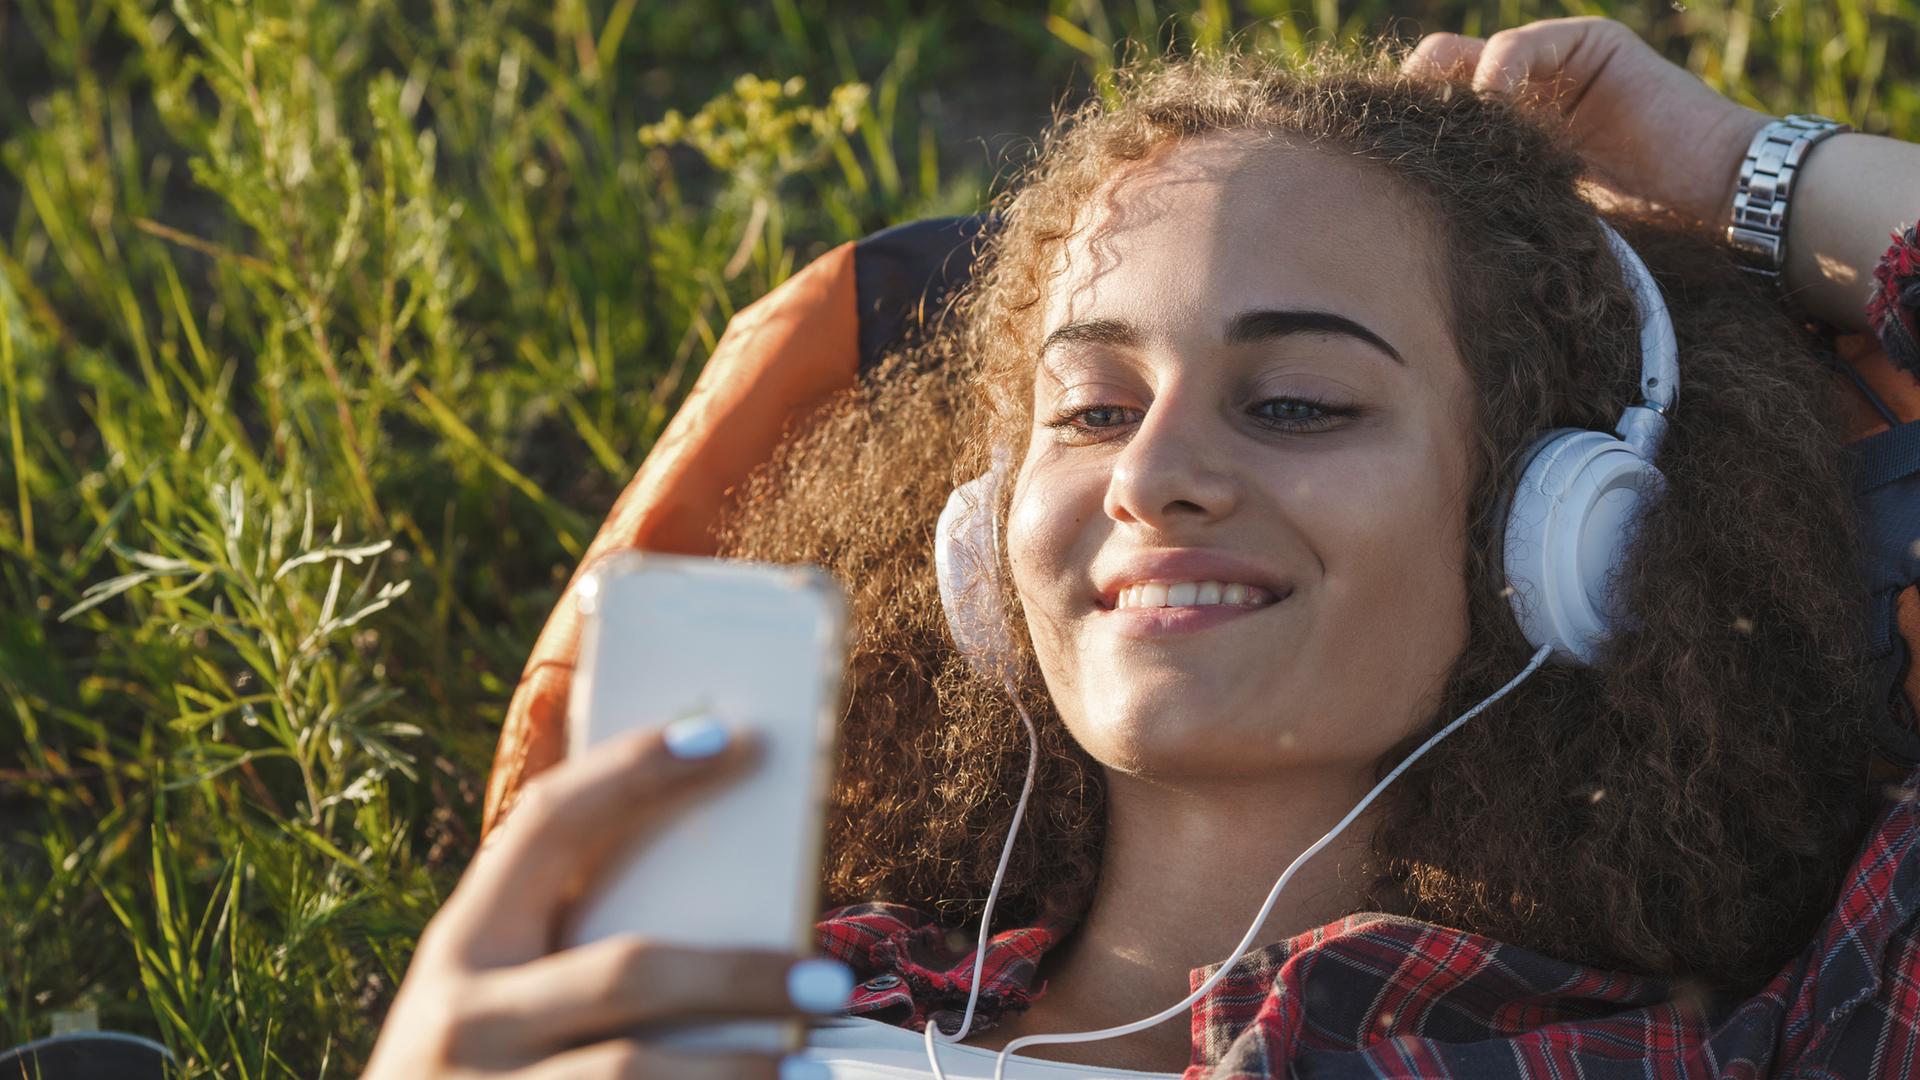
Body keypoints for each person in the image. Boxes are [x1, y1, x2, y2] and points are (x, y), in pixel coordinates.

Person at [363, 16, 1920, 1079]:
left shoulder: (1748, 1039)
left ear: (1567, 524)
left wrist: (1736, 168)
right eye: (1091, 411)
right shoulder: (728, 999)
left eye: (1299, 403)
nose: (1156, 477)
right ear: (984, 535)